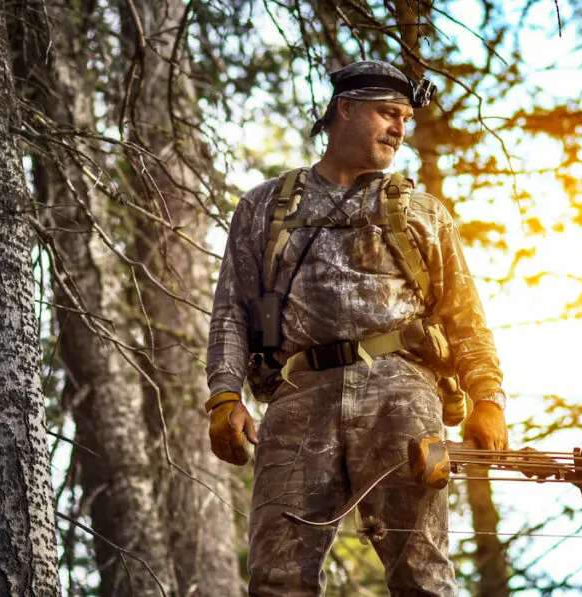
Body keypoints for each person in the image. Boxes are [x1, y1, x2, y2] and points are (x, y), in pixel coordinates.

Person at [205, 60, 508, 597]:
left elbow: (464, 315)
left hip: (402, 397)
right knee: (277, 581)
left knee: (422, 575)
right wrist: (223, 396)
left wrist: (488, 397)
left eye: (405, 118)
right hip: (298, 398)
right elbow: (232, 308)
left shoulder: (421, 210)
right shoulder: (264, 206)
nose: (398, 129)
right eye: (387, 113)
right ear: (345, 109)